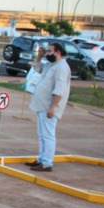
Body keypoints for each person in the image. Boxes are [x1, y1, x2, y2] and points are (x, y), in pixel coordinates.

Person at [26, 42, 71, 172]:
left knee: (48, 135)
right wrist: (39, 56)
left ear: (58, 52)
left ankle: (46, 163)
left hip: (49, 107)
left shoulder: (62, 67)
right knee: (42, 134)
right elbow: (37, 68)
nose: (47, 53)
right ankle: (41, 159)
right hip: (42, 105)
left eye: (50, 51)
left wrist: (53, 107)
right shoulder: (51, 65)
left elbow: (60, 90)